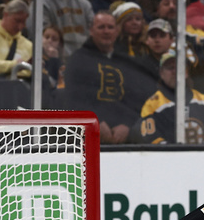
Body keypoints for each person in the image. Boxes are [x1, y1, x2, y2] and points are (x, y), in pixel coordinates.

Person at [63, 11, 155, 143]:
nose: (106, 31)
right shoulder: (78, 60)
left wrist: (128, 125)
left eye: (110, 27)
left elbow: (138, 100)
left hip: (126, 137)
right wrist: (94, 121)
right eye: (101, 27)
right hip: (88, 137)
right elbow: (74, 98)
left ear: (117, 31)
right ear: (91, 31)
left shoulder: (127, 63)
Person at [134, 48, 204, 145]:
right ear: (162, 73)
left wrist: (202, 154)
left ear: (186, 72)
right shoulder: (152, 104)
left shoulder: (202, 100)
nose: (175, 71)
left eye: (179, 67)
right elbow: (151, 138)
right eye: (170, 68)